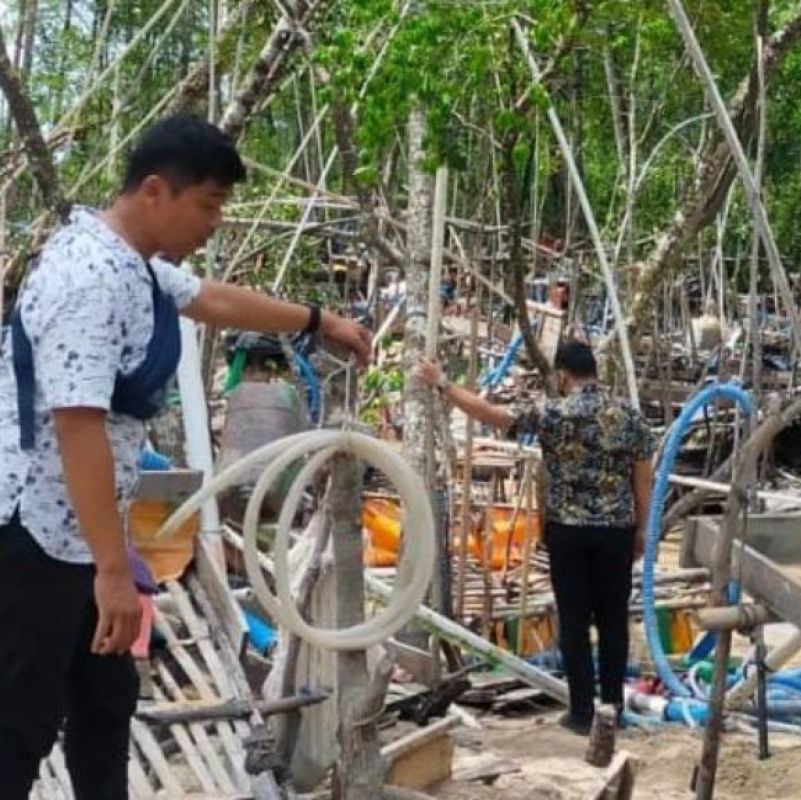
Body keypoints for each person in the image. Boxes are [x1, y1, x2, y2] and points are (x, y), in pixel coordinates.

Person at [0, 114, 371, 798]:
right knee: (18, 725)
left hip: (82, 534)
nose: (214, 222)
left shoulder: (136, 266)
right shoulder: (87, 277)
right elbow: (76, 427)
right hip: (37, 535)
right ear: (153, 192)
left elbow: (211, 298)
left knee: (105, 706)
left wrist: (320, 322)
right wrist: (115, 571)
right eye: (208, 205)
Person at [416, 342, 654, 734]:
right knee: (613, 621)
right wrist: (640, 529)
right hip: (616, 531)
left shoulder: (553, 413)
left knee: (574, 622)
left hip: (568, 532)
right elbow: (643, 480)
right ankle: (613, 710)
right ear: (596, 371)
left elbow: (492, 415)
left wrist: (443, 383)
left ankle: (580, 713)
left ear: (562, 375)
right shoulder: (629, 415)